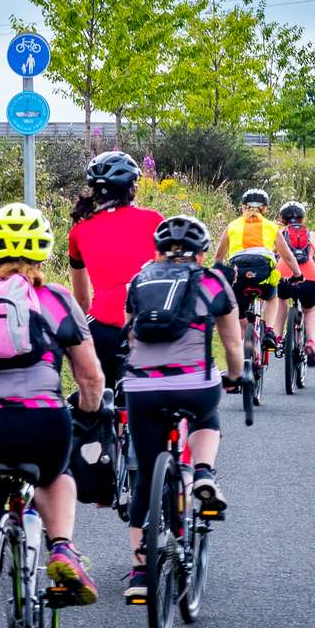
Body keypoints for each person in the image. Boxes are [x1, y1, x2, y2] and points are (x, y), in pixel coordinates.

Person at [0, 202, 104, 605]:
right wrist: (85, 415)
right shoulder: (58, 300)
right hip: (41, 423)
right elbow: (90, 377)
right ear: (42, 252)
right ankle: (62, 547)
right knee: (57, 470)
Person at [121, 216, 243, 602]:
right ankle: (204, 474)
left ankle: (141, 571)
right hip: (193, 382)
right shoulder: (211, 282)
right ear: (203, 252)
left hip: (140, 386)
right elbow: (232, 343)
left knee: (145, 476)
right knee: (208, 414)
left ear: (156, 251)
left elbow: (127, 334)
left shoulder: (139, 281)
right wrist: (236, 376)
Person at [69, 151, 163, 389]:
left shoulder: (78, 232)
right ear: (131, 186)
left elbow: (81, 300)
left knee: (103, 401)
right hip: (149, 324)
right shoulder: (154, 221)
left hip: (102, 327)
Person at [214, 188, 298, 356]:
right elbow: (287, 256)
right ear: (265, 208)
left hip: (239, 271)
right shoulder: (271, 226)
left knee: (238, 310)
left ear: (243, 207)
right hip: (263, 270)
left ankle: (242, 349)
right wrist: (298, 274)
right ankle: (268, 331)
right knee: (271, 297)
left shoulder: (232, 226)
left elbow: (218, 258)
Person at [268, 201, 315, 367]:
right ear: (302, 218)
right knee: (310, 309)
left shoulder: (278, 234)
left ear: (282, 218)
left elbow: (269, 254)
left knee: (280, 301)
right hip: (310, 277)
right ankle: (310, 343)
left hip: (284, 275)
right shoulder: (311, 235)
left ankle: (278, 337)